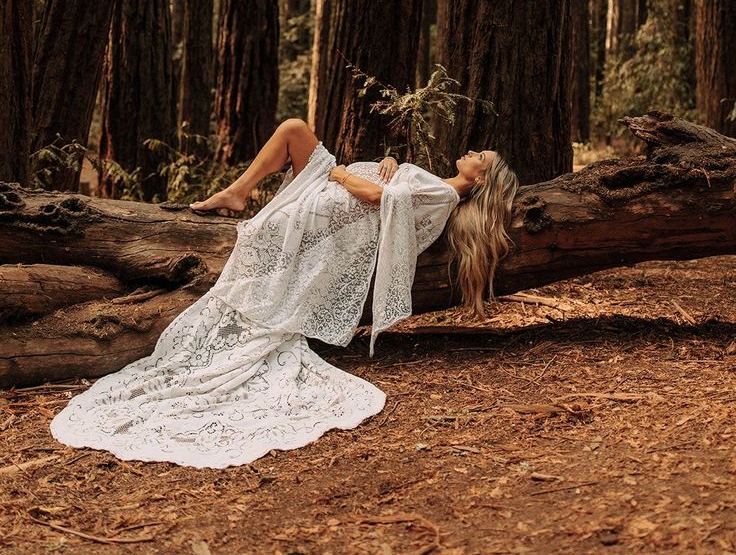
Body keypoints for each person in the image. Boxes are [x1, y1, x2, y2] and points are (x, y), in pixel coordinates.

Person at [50, 118, 518, 469]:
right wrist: (391, 166)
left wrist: (340, 177)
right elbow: (395, 194)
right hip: (344, 205)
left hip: (342, 212)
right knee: (294, 129)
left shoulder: (445, 194)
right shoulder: (439, 187)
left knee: (294, 129)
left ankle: (238, 193)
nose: (474, 152)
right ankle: (237, 191)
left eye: (482, 157)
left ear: (480, 179)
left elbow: (380, 203)